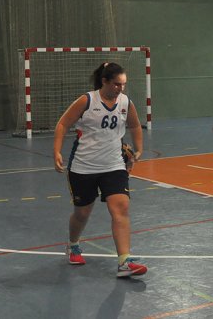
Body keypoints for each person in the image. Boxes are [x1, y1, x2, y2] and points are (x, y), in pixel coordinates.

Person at [53, 62, 148, 278]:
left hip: (114, 165)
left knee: (121, 208)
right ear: (104, 81)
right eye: (116, 84)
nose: (120, 89)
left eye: (123, 84)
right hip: (83, 166)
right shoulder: (87, 100)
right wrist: (57, 151)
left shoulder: (125, 102)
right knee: (82, 213)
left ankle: (124, 261)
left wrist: (139, 148)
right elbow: (62, 124)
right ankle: (73, 244)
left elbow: (133, 125)